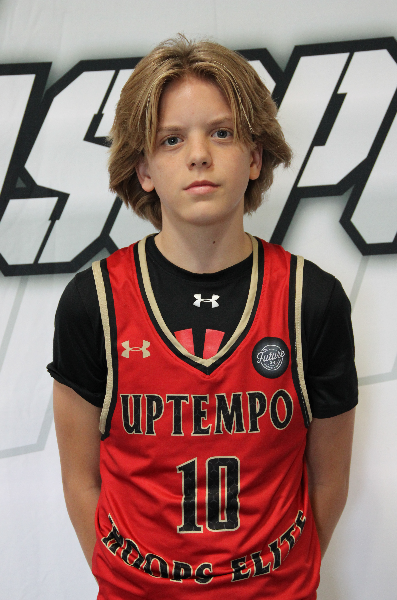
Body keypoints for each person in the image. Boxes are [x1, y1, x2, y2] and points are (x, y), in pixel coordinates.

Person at [49, 34, 358, 599]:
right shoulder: (93, 301)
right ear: (143, 168)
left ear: (256, 157)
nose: (199, 155)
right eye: (171, 139)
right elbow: (79, 477)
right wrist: (127, 582)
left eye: (222, 132)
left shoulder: (311, 300)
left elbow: (329, 479)